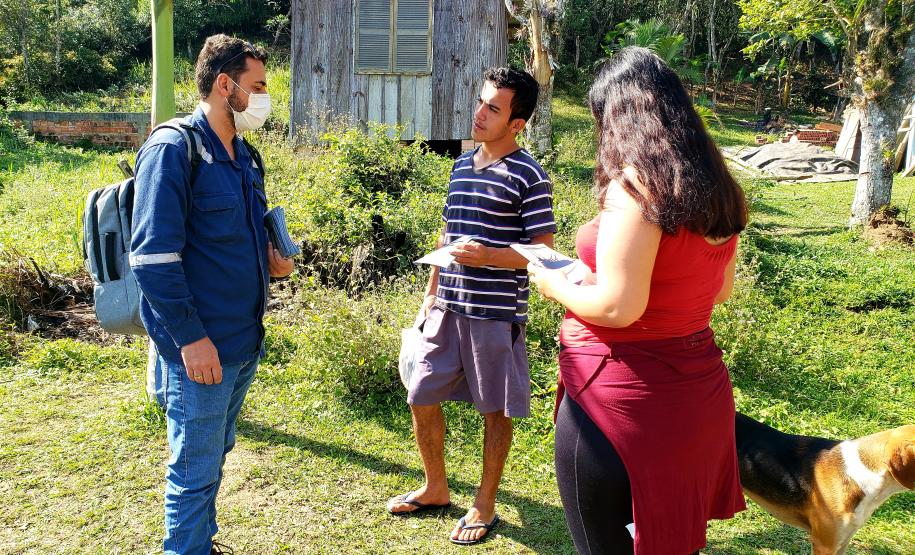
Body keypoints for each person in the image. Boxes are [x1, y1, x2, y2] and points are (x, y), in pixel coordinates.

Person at [528, 46, 748, 554]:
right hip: (696, 399)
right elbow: (720, 287)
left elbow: (618, 309)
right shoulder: (719, 188)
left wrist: (553, 282)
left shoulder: (636, 188)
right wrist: (599, 277)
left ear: (617, 119)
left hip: (621, 398)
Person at [131, 34, 293, 555]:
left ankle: (201, 541)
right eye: (259, 85)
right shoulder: (174, 148)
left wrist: (274, 260)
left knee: (214, 453)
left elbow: (241, 238)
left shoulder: (245, 156)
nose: (265, 97)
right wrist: (190, 338)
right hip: (202, 348)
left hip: (243, 341)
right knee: (194, 471)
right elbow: (152, 259)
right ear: (226, 86)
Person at [386, 67, 557, 546]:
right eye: (481, 102)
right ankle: (436, 487)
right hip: (446, 307)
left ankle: (485, 501)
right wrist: (430, 292)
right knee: (420, 392)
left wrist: (489, 258)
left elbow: (543, 252)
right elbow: (446, 235)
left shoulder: (530, 175)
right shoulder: (462, 164)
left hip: (494, 316)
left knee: (495, 410)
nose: (480, 114)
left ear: (517, 124)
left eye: (494, 109)